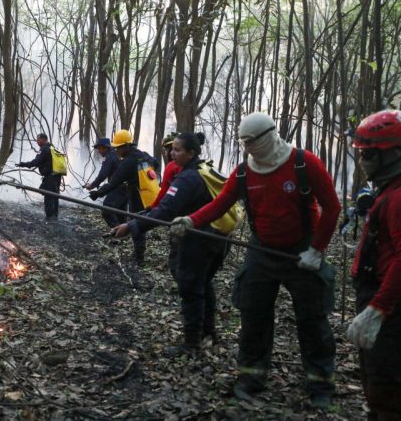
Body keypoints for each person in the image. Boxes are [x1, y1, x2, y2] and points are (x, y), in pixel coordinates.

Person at [171, 112, 341, 408]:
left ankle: (320, 383)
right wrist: (190, 220)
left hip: (302, 251)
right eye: (243, 142)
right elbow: (220, 203)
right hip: (261, 250)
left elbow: (332, 206)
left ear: (269, 136)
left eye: (252, 141)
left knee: (312, 319)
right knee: (253, 314)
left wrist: (317, 249)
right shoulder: (243, 172)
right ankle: (251, 375)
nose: (247, 148)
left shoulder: (304, 162)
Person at [112, 132, 228, 352]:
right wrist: (141, 217)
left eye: (177, 150)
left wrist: (132, 226)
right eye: (170, 149)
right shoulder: (200, 170)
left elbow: (166, 210)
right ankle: (208, 333)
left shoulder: (188, 178)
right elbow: (164, 206)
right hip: (215, 237)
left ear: (191, 153)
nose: (171, 153)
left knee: (190, 286)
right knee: (203, 283)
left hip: (199, 240)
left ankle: (192, 343)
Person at [347, 110, 401, 419]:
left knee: (386, 382)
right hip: (381, 298)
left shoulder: (397, 197)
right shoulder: (388, 190)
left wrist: (377, 309)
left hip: (391, 307)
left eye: (370, 154)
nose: (364, 161)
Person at [89, 129, 158, 266]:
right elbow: (156, 164)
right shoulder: (144, 155)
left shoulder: (128, 161)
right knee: (137, 223)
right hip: (149, 194)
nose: (117, 151)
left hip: (138, 196)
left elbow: (114, 182)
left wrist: (97, 193)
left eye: (118, 148)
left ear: (126, 146)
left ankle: (139, 260)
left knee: (136, 224)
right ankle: (137, 253)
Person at [16, 133, 62, 221]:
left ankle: (49, 218)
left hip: (50, 177)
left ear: (44, 139)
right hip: (57, 177)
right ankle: (55, 216)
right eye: (37, 140)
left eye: (39, 140)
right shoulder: (52, 147)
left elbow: (37, 162)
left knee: (48, 196)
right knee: (55, 196)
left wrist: (23, 164)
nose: (37, 142)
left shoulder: (44, 148)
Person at [84, 138, 128, 228]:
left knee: (107, 210)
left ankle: (117, 233)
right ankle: (123, 237)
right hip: (127, 188)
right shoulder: (117, 155)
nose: (99, 151)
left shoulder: (110, 157)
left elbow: (102, 175)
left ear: (105, 148)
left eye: (99, 148)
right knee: (121, 213)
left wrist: (92, 185)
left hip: (118, 188)